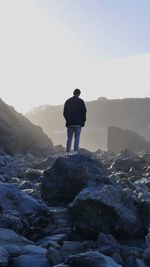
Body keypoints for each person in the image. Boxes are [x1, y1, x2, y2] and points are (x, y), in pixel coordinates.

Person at [63, 88, 87, 155]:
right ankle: (75, 152)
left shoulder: (68, 101)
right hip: (78, 123)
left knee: (69, 138)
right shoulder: (81, 101)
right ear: (79, 94)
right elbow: (84, 112)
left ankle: (67, 152)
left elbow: (64, 113)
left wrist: (67, 119)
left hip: (70, 123)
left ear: (73, 93)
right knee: (77, 138)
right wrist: (83, 121)